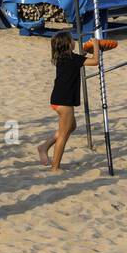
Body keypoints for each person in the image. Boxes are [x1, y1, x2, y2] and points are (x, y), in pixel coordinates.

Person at [38, 31, 100, 172]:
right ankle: (55, 167)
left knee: (70, 127)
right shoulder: (73, 59)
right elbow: (95, 61)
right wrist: (96, 45)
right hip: (64, 102)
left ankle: (44, 147)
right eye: (72, 40)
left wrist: (86, 51)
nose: (74, 42)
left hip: (58, 99)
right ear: (67, 44)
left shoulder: (61, 58)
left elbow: (80, 60)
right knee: (64, 134)